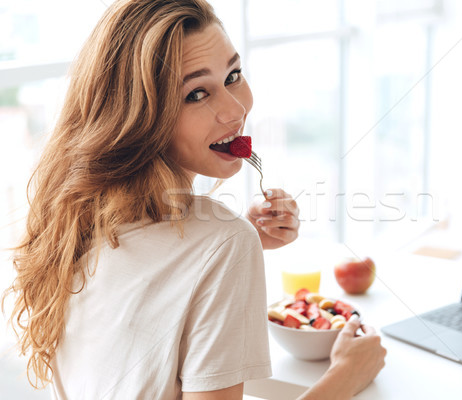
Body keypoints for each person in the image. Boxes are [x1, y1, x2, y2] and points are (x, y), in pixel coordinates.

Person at [3, 0, 386, 398]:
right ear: (139, 116)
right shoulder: (226, 244)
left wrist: (225, 241)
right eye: (197, 93)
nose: (235, 110)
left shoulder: (74, 218)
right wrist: (345, 376)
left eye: (233, 74)